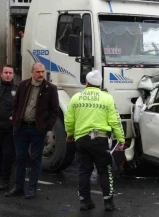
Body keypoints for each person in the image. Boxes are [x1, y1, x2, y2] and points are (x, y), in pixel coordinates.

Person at [64, 70, 125, 211]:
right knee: (104, 170)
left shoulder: (76, 98)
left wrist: (69, 134)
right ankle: (108, 203)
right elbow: (115, 120)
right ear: (100, 84)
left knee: (84, 170)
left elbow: (69, 119)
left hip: (82, 140)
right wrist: (121, 139)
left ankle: (85, 201)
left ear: (86, 83)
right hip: (100, 140)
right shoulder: (107, 98)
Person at [5, 62, 59, 199]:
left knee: (35, 159)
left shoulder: (50, 88)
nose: (41, 74)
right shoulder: (23, 85)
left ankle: (32, 189)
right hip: (21, 128)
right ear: (32, 72)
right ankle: (18, 187)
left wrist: (46, 126)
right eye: (38, 72)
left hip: (37, 129)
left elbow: (55, 111)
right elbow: (16, 103)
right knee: (20, 158)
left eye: (42, 72)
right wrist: (16, 118)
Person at [0, 65, 18, 190]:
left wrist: (15, 117)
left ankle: (5, 180)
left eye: (10, 73)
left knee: (7, 155)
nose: (8, 75)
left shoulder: (17, 90)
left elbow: (21, 107)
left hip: (9, 129)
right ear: (1, 74)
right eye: (5, 72)